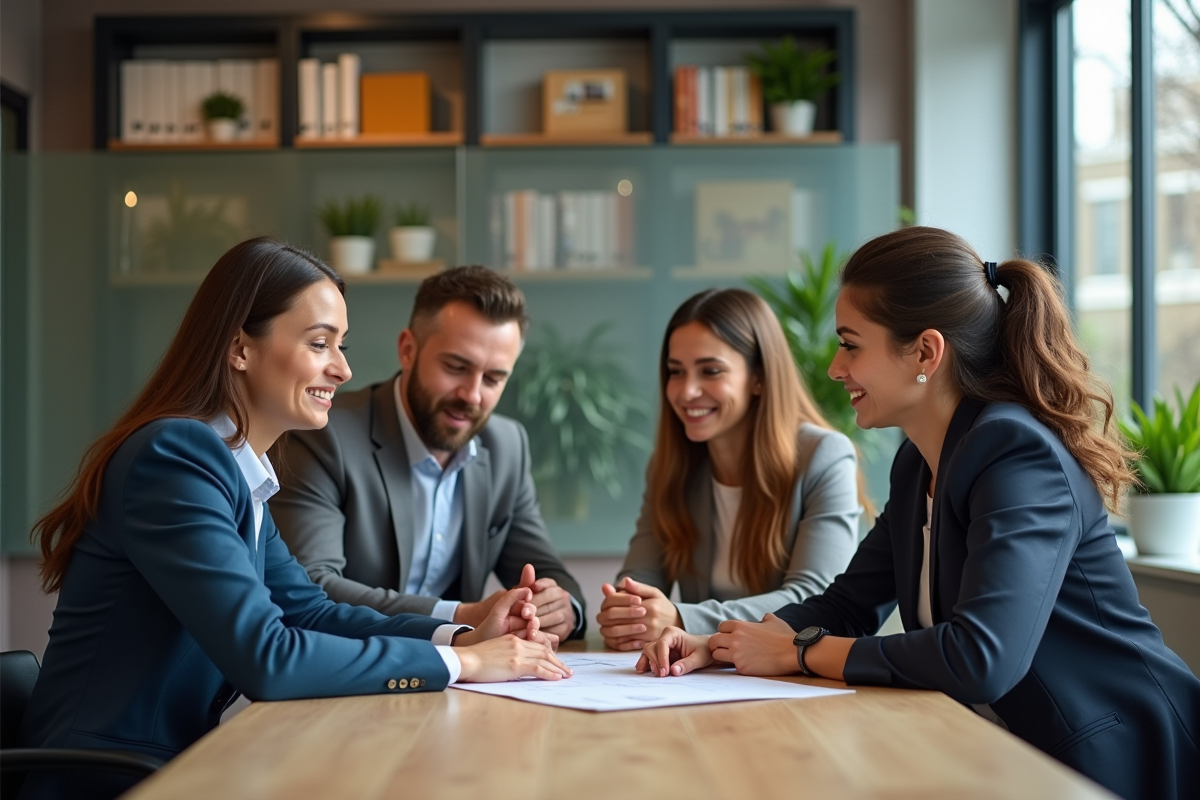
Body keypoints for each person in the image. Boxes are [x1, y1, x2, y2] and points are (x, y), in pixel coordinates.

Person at [636, 227, 1200, 800]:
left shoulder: (1016, 455)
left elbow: (981, 657)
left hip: (1112, 759)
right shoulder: (917, 463)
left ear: (926, 352)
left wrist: (800, 652)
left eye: (851, 345)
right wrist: (727, 644)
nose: (834, 368)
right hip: (1004, 750)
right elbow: (849, 603)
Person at [18, 239, 570, 800]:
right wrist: (464, 662)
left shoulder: (234, 468)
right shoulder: (178, 457)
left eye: (341, 345)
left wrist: (465, 633)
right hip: (102, 780)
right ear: (239, 348)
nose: (344, 367)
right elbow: (269, 658)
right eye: (319, 343)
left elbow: (310, 611)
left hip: (178, 771)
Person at [271, 265, 586, 641]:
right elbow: (312, 586)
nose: (472, 395)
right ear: (408, 349)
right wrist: (462, 615)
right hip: (352, 669)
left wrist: (561, 608)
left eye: (493, 379)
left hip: (462, 679)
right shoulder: (324, 434)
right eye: (456, 367)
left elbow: (548, 572)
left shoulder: (507, 447)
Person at [596, 288, 864, 650]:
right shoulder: (671, 464)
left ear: (758, 378)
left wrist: (681, 617)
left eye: (711, 371)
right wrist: (629, 611)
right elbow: (640, 578)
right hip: (700, 678)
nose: (687, 391)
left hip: (791, 680)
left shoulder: (824, 455)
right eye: (676, 372)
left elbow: (815, 597)